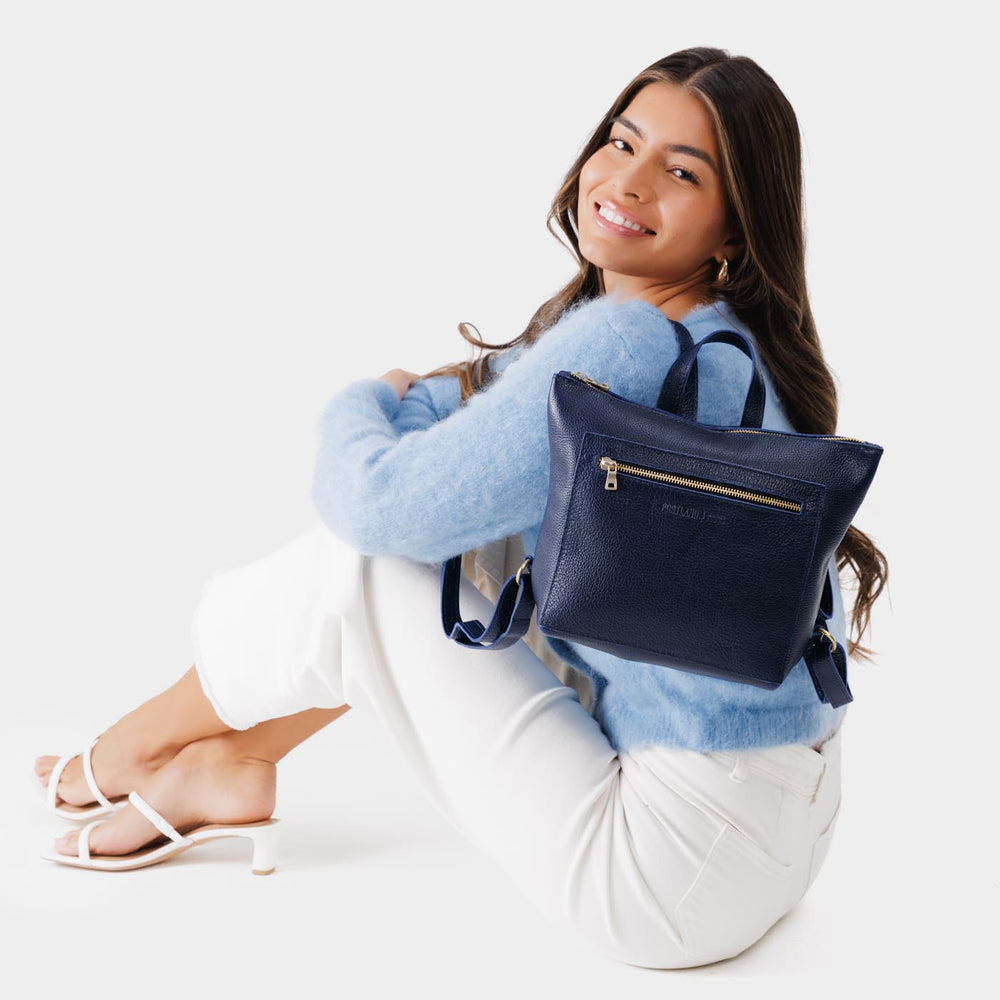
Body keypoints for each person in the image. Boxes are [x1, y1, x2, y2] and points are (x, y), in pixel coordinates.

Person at [34, 46, 887, 969]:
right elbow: (483, 410)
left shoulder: (631, 343)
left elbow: (379, 504)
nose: (629, 182)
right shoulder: (721, 339)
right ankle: (229, 764)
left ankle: (125, 752)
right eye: (621, 142)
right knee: (475, 540)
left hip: (666, 871)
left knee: (368, 566)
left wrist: (367, 400)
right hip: (779, 836)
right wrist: (422, 420)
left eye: (682, 173)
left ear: (733, 229)